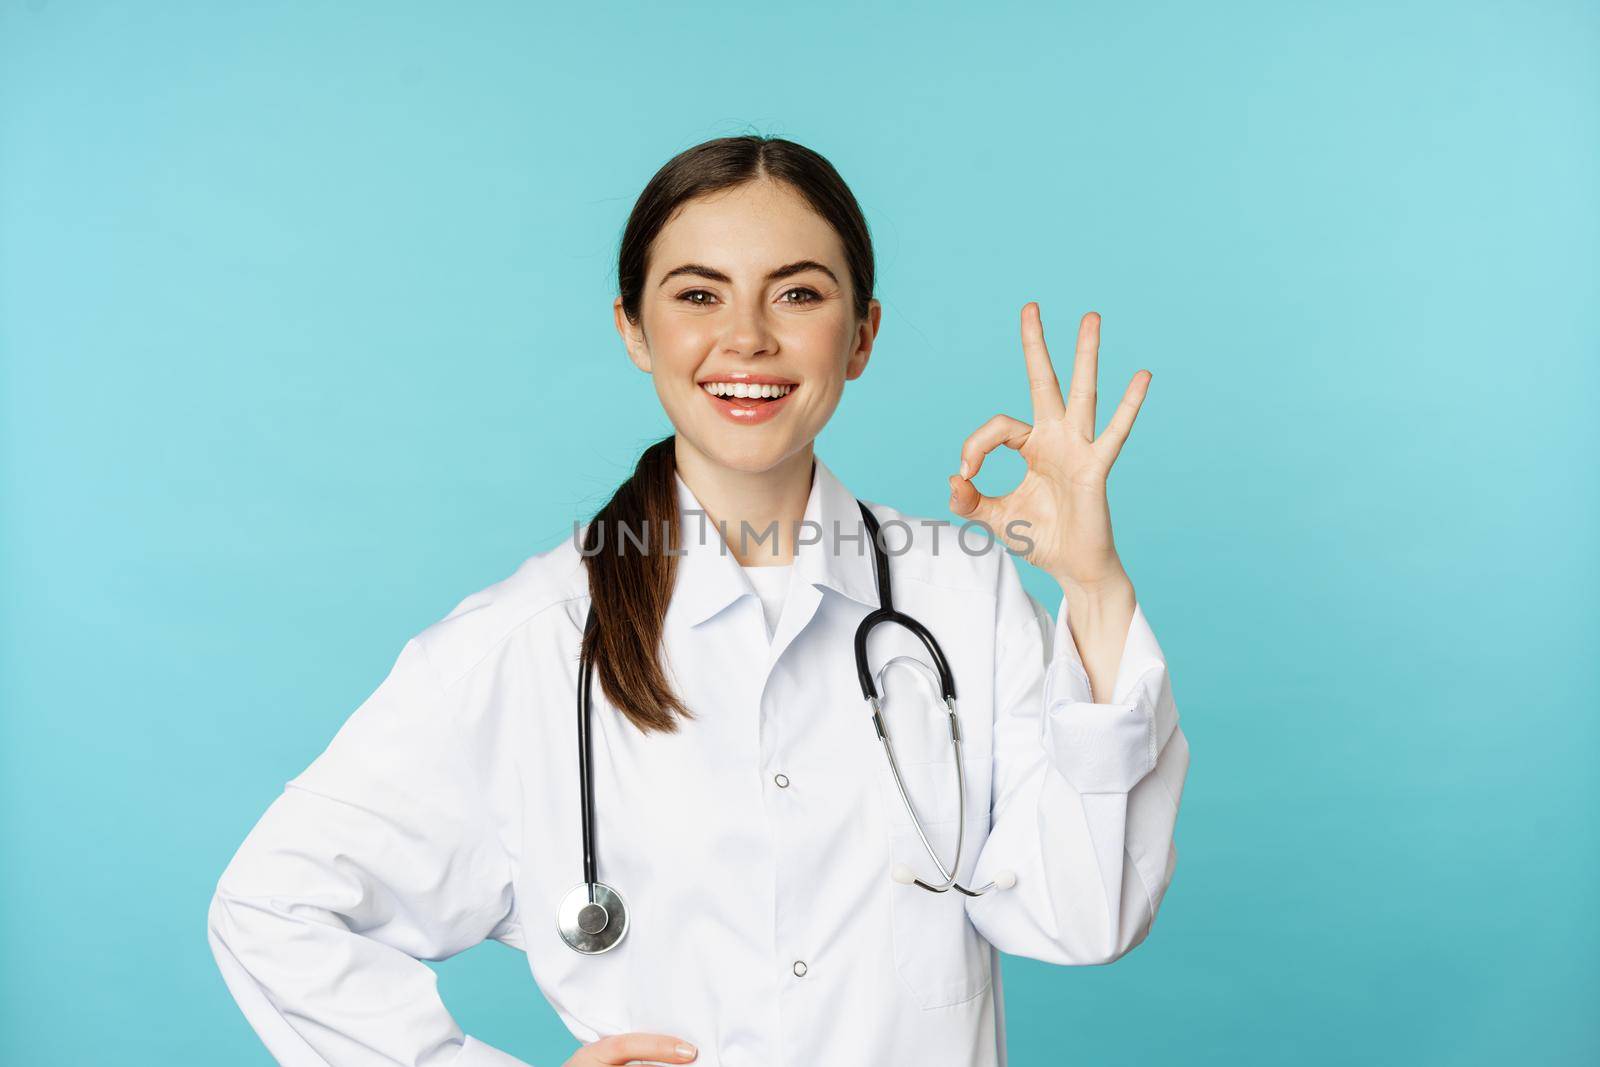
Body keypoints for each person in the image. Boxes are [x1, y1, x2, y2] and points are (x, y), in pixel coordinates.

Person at [207, 135, 1190, 1067]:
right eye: (697, 294)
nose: (747, 338)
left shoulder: (956, 591)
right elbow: (270, 906)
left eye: (797, 293)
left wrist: (1092, 586)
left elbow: (1079, 915)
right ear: (633, 327)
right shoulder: (535, 634)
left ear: (862, 335)